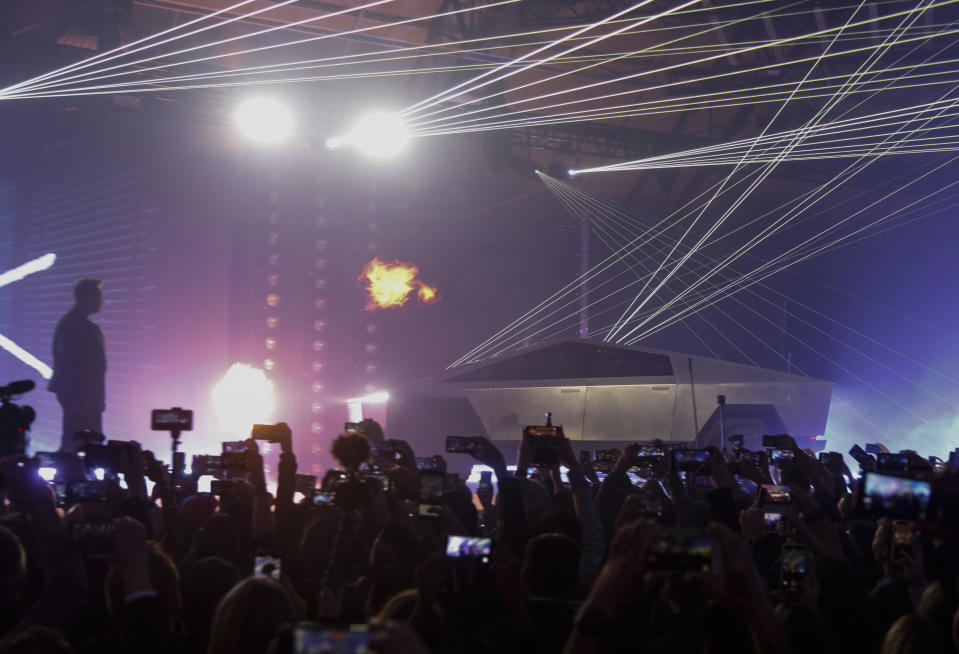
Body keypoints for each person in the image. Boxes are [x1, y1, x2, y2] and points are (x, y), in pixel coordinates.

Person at [48, 278, 106, 452]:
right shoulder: (74, 326)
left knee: (82, 443)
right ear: (87, 297)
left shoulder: (74, 324)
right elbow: (68, 365)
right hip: (81, 398)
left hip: (85, 397)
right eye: (98, 296)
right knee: (80, 443)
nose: (101, 301)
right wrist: (77, 398)